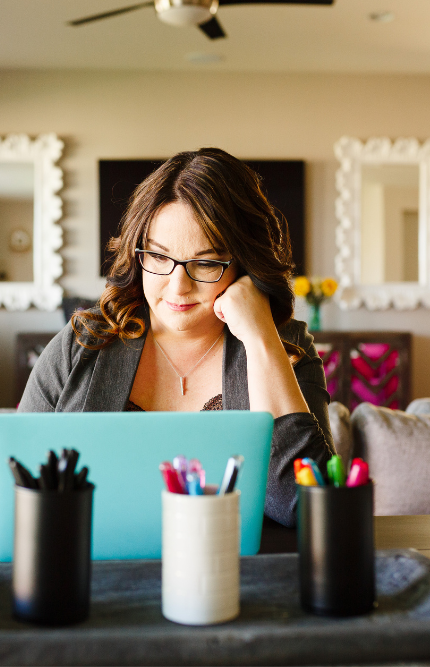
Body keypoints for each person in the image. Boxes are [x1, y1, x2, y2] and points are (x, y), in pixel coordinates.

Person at [19, 148, 333, 526]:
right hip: (100, 575)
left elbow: (307, 509)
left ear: (245, 265)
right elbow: (6, 495)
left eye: (205, 262)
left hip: (239, 575)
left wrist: (261, 338)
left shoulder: (286, 347)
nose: (177, 286)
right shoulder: (80, 343)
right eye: (159, 257)